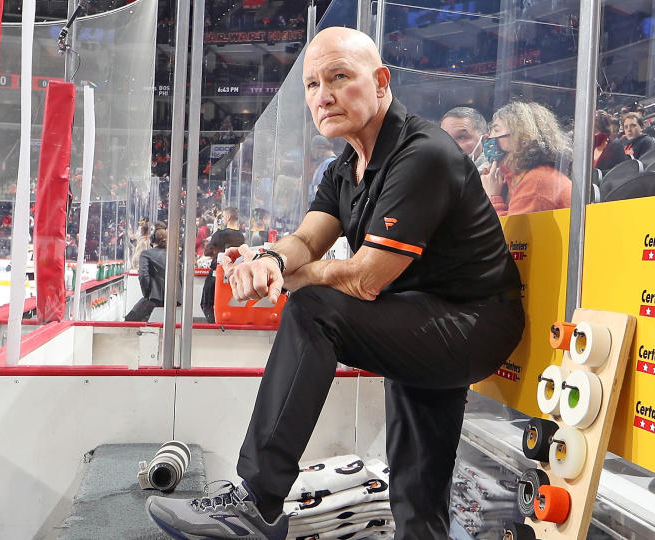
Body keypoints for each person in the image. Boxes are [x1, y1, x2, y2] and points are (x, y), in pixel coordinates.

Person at [146, 27, 524, 540]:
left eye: (339, 77)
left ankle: (257, 502)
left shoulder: (423, 153)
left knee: (313, 310)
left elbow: (366, 279)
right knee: (415, 493)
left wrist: (284, 275)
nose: (322, 95)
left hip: (470, 324)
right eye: (311, 84)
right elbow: (306, 239)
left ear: (381, 82)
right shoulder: (345, 165)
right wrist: (268, 257)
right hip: (417, 314)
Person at [481, 102, 572, 216]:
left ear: (522, 137)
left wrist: (492, 197)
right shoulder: (512, 179)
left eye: (496, 130)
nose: (489, 137)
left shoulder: (537, 182)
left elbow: (509, 233)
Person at [200, 207, 245, 323]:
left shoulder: (219, 235)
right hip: (233, 275)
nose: (223, 219)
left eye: (224, 216)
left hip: (216, 275)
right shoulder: (241, 237)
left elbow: (207, 251)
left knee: (207, 303)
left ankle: (213, 325)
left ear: (228, 217)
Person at [124, 228, 168, 321]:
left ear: (152, 240)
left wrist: (147, 295)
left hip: (155, 299)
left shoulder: (146, 254)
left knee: (130, 320)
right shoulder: (175, 255)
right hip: (175, 301)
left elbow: (144, 276)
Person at [440, 106, 489, 172]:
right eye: (445, 137)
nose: (450, 145)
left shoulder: (496, 177)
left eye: (461, 137)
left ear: (484, 141)